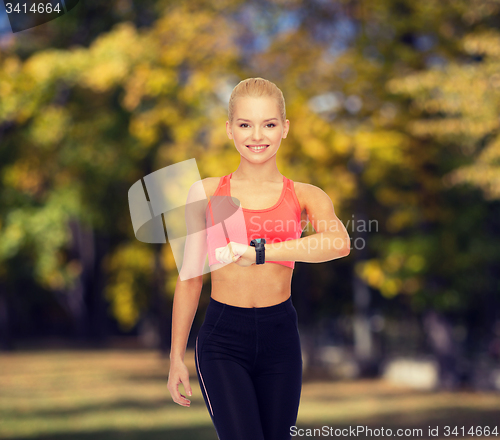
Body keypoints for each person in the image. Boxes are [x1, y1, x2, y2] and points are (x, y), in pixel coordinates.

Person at [167, 77, 351, 440]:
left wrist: (260, 253)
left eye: (268, 124)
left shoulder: (305, 195)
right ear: (229, 130)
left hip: (280, 338)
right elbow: (189, 278)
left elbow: (339, 243)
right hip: (222, 340)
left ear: (285, 129)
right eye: (245, 124)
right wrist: (175, 357)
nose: (257, 135)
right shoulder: (205, 193)